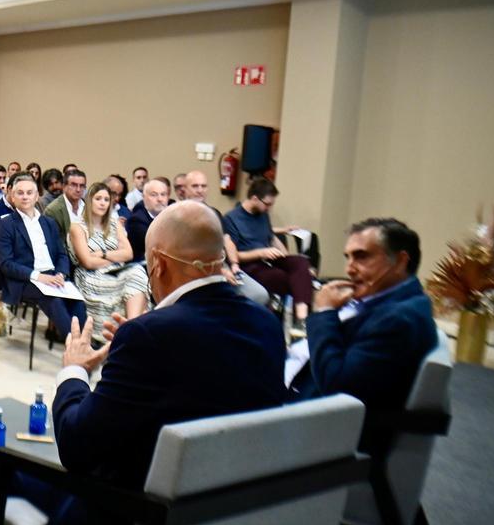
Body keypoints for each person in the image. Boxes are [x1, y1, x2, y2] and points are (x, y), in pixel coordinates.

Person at [33, 201, 286, 525]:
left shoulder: (151, 336)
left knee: (17, 473)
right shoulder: (265, 323)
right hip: (230, 514)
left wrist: (74, 372)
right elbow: (203, 377)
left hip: (137, 518)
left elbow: (76, 445)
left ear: (159, 263)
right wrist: (133, 349)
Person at [289, 218, 437, 445]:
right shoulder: (390, 300)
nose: (349, 268)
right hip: (302, 390)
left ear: (400, 261)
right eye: (347, 257)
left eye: (362, 256)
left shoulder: (397, 319)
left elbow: (338, 386)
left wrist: (324, 312)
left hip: (311, 425)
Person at [0, 174, 87, 342]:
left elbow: (61, 253)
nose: (25, 196)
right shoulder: (5, 224)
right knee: (54, 300)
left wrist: (60, 274)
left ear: (37, 196)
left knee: (77, 301)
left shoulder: (48, 222)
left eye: (29, 192)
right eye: (20, 193)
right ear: (12, 197)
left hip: (52, 276)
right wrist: (39, 277)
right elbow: (6, 264)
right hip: (25, 280)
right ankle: (75, 345)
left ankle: (83, 343)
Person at [223, 178, 313, 328]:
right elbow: (236, 256)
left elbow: (271, 237)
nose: (269, 208)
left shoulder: (263, 214)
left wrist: (287, 257)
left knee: (301, 263)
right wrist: (261, 253)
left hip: (269, 258)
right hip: (250, 264)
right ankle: (298, 320)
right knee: (288, 278)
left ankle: (302, 319)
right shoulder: (231, 219)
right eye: (267, 204)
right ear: (254, 199)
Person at [68, 183, 149, 342]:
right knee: (130, 276)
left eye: (106, 199)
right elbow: (87, 262)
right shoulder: (77, 227)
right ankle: (123, 334)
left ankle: (130, 329)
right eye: (98, 198)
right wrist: (115, 256)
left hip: (117, 272)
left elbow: (129, 254)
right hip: (90, 276)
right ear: (89, 200)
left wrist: (103, 254)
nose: (103, 203)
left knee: (138, 272)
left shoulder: (115, 224)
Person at [182, 170, 271, 306]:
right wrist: (219, 271)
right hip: (195, 268)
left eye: (203, 186)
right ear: (185, 189)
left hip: (222, 265)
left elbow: (227, 240)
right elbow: (184, 253)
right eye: (195, 186)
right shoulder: (177, 215)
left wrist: (234, 264)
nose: (200, 190)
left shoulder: (214, 213)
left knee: (259, 295)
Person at [44, 169, 87, 258]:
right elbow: (55, 245)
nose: (78, 189)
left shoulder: (89, 207)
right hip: (67, 260)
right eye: (74, 185)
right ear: (64, 186)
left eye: (82, 186)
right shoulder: (52, 210)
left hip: (91, 255)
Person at [126, 176, 170, 259]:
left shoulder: (172, 218)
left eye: (163, 194)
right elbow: (157, 246)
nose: (160, 199)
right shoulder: (136, 220)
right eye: (154, 195)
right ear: (144, 198)